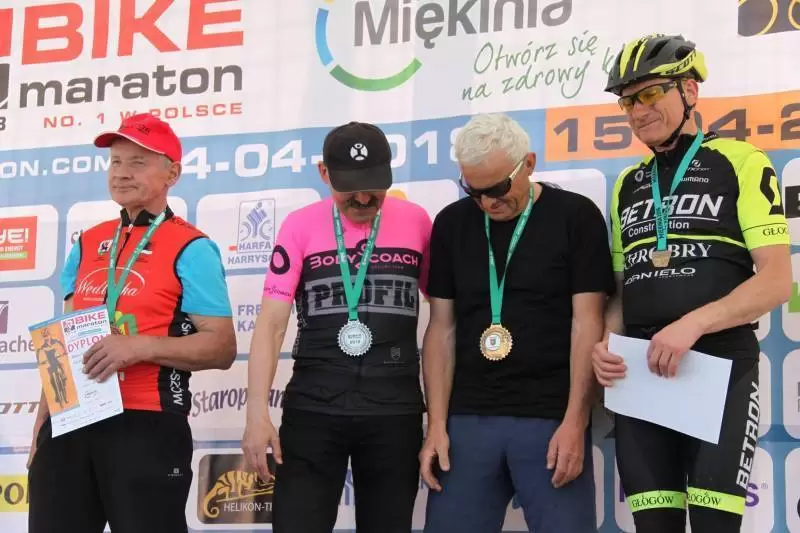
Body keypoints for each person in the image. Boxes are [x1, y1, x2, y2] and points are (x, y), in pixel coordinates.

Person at [592, 34, 792, 533]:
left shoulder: (740, 160)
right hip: (641, 373)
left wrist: (693, 324)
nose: (639, 111)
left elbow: (777, 280)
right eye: (628, 101)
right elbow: (622, 289)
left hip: (719, 365)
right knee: (653, 525)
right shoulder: (628, 184)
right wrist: (607, 341)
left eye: (651, 93)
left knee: (712, 525)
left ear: (690, 91)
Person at [26, 113, 237, 533]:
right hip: (70, 420)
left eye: (137, 163)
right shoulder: (87, 242)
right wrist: (42, 424)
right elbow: (64, 342)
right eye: (115, 162)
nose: (121, 173)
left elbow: (222, 347)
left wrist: (139, 346)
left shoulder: (192, 246)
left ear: (171, 174)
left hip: (147, 422)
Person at [419, 112, 615, 533]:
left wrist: (576, 421)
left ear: (528, 163)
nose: (488, 203)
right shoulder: (451, 223)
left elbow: (587, 324)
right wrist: (435, 426)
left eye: (498, 189)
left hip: (550, 419)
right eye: (474, 191)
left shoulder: (575, 216)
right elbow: (441, 329)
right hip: (468, 421)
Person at [241, 121, 433, 533]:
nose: (363, 198)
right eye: (349, 188)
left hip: (394, 410)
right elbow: (271, 324)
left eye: (374, 185)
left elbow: (446, 320)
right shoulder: (299, 225)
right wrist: (256, 414)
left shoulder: (418, 221)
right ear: (323, 173)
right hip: (314, 408)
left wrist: (439, 421)